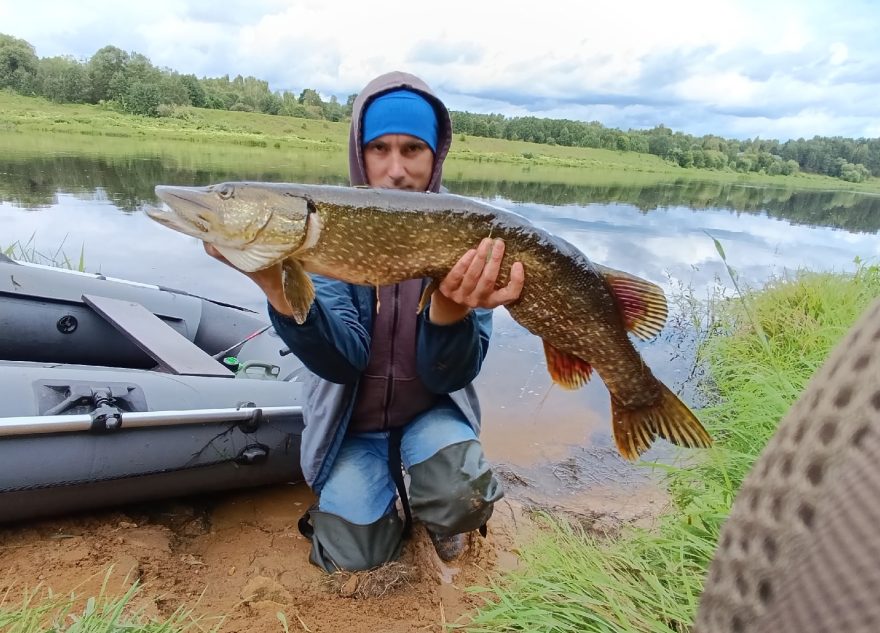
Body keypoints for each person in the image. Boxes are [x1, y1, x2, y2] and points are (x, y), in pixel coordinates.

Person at [205, 71, 524, 572]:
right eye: (379, 149)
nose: (395, 169)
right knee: (355, 557)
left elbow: (452, 376)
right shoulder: (325, 230)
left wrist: (450, 312)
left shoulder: (471, 238)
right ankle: (372, 507)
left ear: (435, 154)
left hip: (430, 415)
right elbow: (342, 361)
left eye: (412, 149)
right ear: (360, 151)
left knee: (461, 495)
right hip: (353, 428)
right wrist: (274, 286)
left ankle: (440, 513)